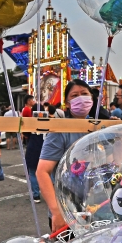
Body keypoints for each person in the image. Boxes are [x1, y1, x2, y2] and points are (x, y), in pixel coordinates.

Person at [36, 79, 94, 232]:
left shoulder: (99, 128)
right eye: (74, 95)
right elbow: (42, 171)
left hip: (98, 207)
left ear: (92, 99)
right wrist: (57, 211)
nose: (81, 98)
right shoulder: (60, 130)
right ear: (67, 103)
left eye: (84, 94)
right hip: (68, 211)